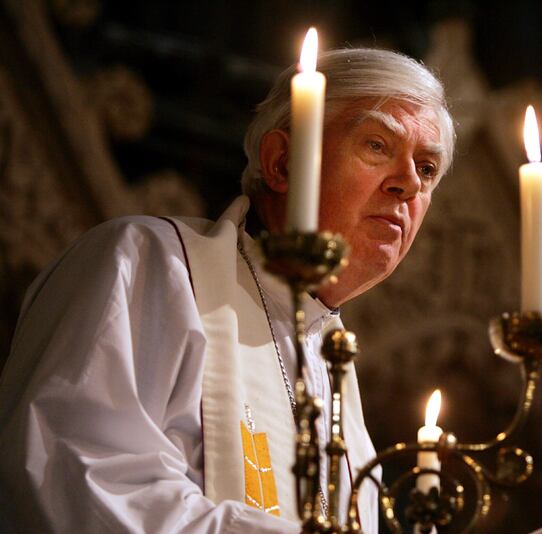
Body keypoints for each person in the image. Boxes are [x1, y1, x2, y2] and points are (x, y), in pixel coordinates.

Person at [0, 47, 455, 533]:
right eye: (378, 145)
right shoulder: (150, 264)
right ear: (281, 163)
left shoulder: (340, 390)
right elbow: (74, 477)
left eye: (427, 168)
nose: (409, 184)